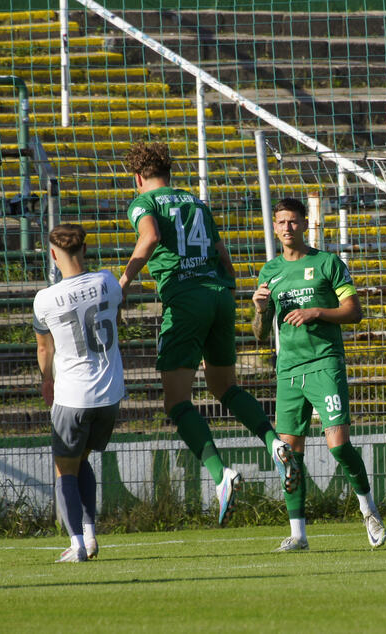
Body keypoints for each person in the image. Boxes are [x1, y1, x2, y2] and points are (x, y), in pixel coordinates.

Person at [119, 141, 298, 527]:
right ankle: (275, 443)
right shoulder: (196, 203)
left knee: (177, 402)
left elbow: (148, 238)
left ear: (138, 179)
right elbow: (222, 254)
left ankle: (221, 477)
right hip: (219, 296)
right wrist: (225, 290)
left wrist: (125, 278)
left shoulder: (143, 203)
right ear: (169, 173)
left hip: (185, 300)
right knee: (224, 386)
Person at [252, 198, 386, 551]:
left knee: (339, 446)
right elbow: (261, 333)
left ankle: (368, 508)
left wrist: (316, 313)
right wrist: (261, 310)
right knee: (289, 457)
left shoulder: (327, 262)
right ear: (275, 225)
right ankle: (298, 535)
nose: (286, 228)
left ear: (305, 224)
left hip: (324, 363)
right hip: (289, 370)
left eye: (293, 222)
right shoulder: (270, 271)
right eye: (280, 222)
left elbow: (354, 311)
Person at [33, 224, 125, 563]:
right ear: (85, 250)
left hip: (73, 395)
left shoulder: (44, 299)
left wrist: (46, 380)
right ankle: (89, 535)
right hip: (110, 395)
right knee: (83, 460)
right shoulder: (107, 281)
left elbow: (45, 349)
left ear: (54, 255)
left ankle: (77, 545)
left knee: (64, 470)